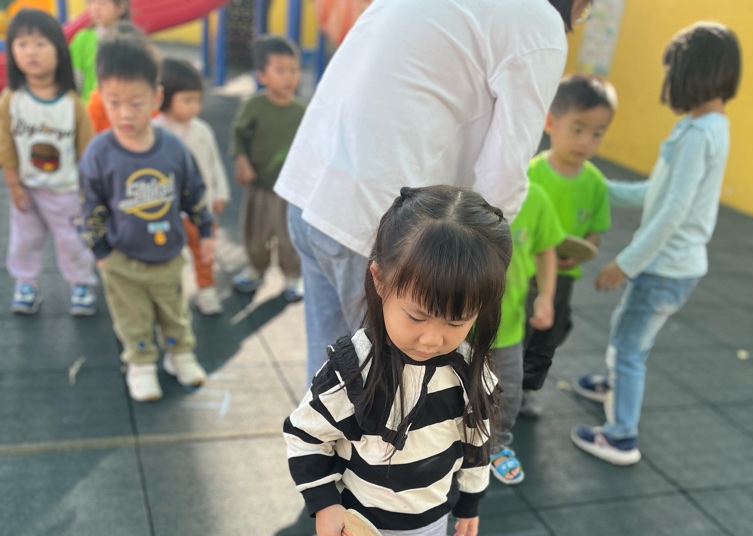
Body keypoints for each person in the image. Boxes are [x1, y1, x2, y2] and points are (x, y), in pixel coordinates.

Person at [284, 185, 511, 536]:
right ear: (380, 280)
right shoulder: (354, 370)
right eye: (418, 316)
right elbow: (304, 436)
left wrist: (470, 505)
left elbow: (475, 442)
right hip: (364, 526)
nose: (433, 338)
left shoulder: (468, 370)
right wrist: (325, 506)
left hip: (428, 524)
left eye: (456, 321)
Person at [275, 0, 593, 386]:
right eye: (585, 10)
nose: (579, 17)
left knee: (331, 378)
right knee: (392, 390)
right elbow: (504, 174)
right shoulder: (538, 20)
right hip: (380, 222)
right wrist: (481, 268)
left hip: (311, 187)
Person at [572, 22, 742, 465]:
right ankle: (613, 385)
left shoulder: (697, 135)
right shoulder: (706, 126)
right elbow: (657, 192)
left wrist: (625, 263)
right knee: (627, 333)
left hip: (664, 268)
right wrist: (601, 188)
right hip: (675, 265)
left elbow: (672, 212)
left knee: (630, 347)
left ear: (691, 73)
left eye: (671, 71)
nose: (667, 81)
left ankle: (621, 436)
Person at [78, 33, 212, 402]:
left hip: (167, 254)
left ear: (155, 98)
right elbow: (88, 205)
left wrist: (206, 231)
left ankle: (179, 354)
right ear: (100, 97)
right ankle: (140, 363)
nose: (124, 113)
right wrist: (100, 251)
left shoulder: (172, 149)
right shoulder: (99, 153)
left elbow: (194, 191)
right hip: (122, 260)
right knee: (132, 317)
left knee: (174, 311)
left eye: (136, 103)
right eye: (113, 102)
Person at [519, 72, 616, 418]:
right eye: (577, 129)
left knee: (548, 334)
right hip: (524, 272)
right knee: (513, 330)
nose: (585, 141)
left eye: (597, 133)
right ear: (551, 124)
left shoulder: (595, 184)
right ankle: (493, 385)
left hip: (563, 279)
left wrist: (583, 249)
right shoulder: (531, 173)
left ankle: (527, 389)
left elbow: (595, 233)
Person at [0, 9, 97, 317]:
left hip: (66, 190)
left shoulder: (71, 103)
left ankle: (81, 283)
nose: (31, 52)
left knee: (73, 240)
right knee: (24, 240)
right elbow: (6, 144)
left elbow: (88, 149)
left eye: (40, 43)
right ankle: (26, 283)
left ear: (59, 51)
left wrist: (91, 190)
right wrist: (13, 183)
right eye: (22, 44)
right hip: (27, 187)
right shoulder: (11, 99)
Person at [490, 183, 564, 485]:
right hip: (456, 328)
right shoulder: (459, 187)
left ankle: (496, 445)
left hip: (508, 328)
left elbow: (546, 250)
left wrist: (545, 295)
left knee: (508, 391)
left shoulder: (535, 197)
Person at [230, 34, 304, 302]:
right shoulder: (254, 106)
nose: (289, 76)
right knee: (255, 233)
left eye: (294, 69)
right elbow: (238, 136)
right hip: (259, 185)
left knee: (288, 236)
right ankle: (256, 268)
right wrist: (242, 162)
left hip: (289, 190)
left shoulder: (301, 112)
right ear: (262, 75)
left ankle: (292, 275)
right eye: (280, 70)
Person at [156, 58, 230, 315]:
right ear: (164, 98)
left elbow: (214, 162)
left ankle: (206, 289)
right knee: (167, 254)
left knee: (205, 252)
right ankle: (170, 293)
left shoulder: (202, 130)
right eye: (187, 100)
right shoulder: (155, 131)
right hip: (168, 210)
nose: (194, 106)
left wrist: (219, 193)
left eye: (197, 100)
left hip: (201, 209)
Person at [70, 0, 130, 104]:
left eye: (103, 3)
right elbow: (75, 81)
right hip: (89, 110)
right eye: (91, 2)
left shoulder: (130, 40)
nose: (96, 8)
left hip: (120, 110)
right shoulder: (82, 39)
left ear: (121, 7)